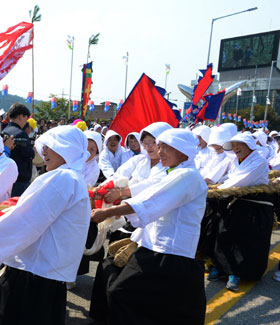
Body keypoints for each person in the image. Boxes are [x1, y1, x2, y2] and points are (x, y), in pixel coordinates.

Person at [0, 125, 91, 324]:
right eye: (44, 147)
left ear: (68, 149)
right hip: (44, 273)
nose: (44, 152)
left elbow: (24, 222)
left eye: (52, 146)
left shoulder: (63, 178)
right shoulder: (73, 178)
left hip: (32, 274)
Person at [90, 128, 207, 325]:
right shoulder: (173, 172)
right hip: (156, 246)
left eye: (166, 147)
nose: (159, 151)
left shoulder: (187, 176)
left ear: (183, 150)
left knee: (123, 293)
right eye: (158, 146)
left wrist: (107, 212)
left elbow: (150, 201)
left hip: (169, 252)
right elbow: (148, 198)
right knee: (145, 300)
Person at [207, 132, 271, 291]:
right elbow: (228, 178)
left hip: (254, 206)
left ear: (249, 145)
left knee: (245, 239)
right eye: (233, 145)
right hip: (234, 202)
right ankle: (221, 267)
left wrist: (215, 191)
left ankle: (236, 273)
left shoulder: (259, 161)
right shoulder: (235, 160)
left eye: (238, 144)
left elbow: (239, 181)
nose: (235, 148)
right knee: (223, 233)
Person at [2, 103, 34, 196]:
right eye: (26, 118)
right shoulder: (20, 133)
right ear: (20, 116)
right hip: (20, 180)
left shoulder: (4, 131)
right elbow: (29, 154)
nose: (26, 121)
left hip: (7, 179)